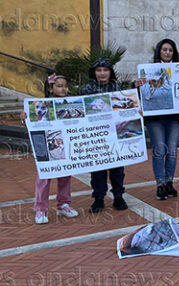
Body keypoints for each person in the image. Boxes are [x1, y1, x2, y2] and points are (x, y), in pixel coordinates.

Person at [21, 74, 79, 224]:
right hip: (45, 147)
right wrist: (25, 118)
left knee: (66, 175)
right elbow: (31, 125)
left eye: (65, 86)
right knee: (44, 178)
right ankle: (40, 209)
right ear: (50, 88)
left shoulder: (70, 104)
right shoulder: (40, 104)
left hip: (65, 144)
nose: (63, 89)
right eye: (59, 86)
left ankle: (64, 204)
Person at [135, 39, 179, 200]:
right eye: (164, 49)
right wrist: (136, 84)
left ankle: (169, 182)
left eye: (170, 50)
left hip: (175, 116)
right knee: (159, 149)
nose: (167, 52)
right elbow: (141, 91)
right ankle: (160, 184)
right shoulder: (147, 70)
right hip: (155, 117)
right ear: (159, 51)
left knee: (171, 151)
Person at [80, 57, 129, 213]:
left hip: (115, 133)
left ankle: (118, 196)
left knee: (117, 168)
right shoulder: (86, 89)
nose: (102, 73)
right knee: (98, 170)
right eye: (99, 70)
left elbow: (126, 107)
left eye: (105, 70)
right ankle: (98, 198)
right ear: (94, 72)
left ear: (110, 72)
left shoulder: (118, 87)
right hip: (95, 136)